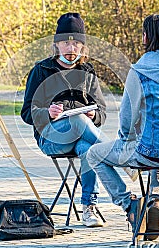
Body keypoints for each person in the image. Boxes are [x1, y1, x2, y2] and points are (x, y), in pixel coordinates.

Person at [86, 14, 159, 239]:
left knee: (93, 155)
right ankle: (155, 199)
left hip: (149, 152)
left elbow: (127, 117)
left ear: (146, 36)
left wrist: (125, 138)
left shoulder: (140, 71)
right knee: (155, 140)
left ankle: (131, 207)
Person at [21, 12, 108, 227]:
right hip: (51, 139)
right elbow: (26, 113)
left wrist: (94, 115)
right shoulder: (41, 70)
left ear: (82, 47)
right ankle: (118, 156)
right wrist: (47, 113)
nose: (71, 48)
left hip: (82, 137)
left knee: (90, 150)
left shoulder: (88, 71)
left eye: (76, 43)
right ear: (57, 45)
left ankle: (89, 207)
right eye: (66, 43)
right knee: (78, 121)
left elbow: (102, 111)